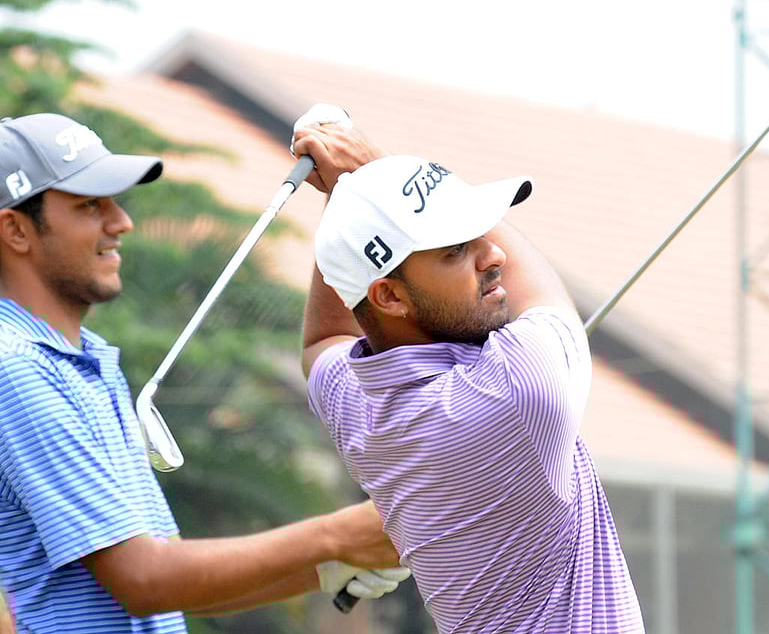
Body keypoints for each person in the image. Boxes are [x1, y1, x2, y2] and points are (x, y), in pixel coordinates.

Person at [0, 112, 408, 634]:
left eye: (115, 201)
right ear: (15, 229)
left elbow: (174, 579)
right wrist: (338, 537)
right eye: (88, 206)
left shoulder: (83, 361)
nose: (120, 222)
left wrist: (328, 569)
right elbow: (143, 581)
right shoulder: (19, 369)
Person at [291, 117, 646, 633]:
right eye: (456, 249)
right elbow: (538, 292)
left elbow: (322, 342)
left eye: (478, 232)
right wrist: (366, 171)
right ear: (388, 295)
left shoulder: (357, 402)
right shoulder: (519, 391)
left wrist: (354, 198)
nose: (493, 253)